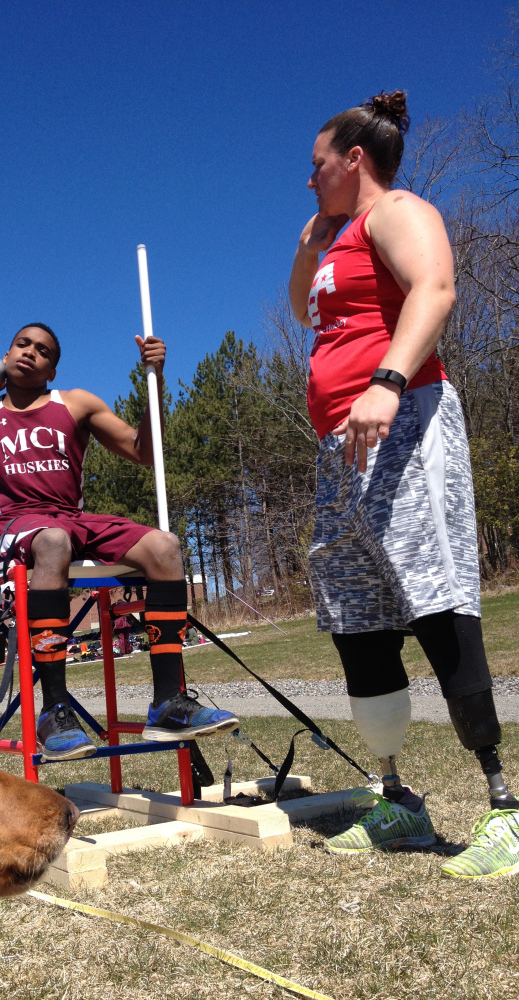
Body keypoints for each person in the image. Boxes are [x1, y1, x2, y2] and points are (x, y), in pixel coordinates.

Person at [289, 90, 519, 878]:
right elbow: (303, 309)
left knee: (437, 595)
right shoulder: (338, 236)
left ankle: (505, 812)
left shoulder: (397, 211)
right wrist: (311, 240)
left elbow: (437, 288)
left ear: (355, 160)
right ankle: (399, 803)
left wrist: (388, 379)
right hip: (341, 447)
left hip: (405, 418)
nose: (307, 179)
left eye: (316, 166)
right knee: (359, 614)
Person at [0, 324, 238, 760]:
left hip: (73, 520)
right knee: (53, 542)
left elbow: (145, 451)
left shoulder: (76, 404)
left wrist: (155, 380)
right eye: (23, 344)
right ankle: (54, 709)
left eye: (44, 351)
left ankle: (167, 701)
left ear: (52, 369)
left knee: (165, 546)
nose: (31, 352)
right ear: (6, 352)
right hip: (17, 526)